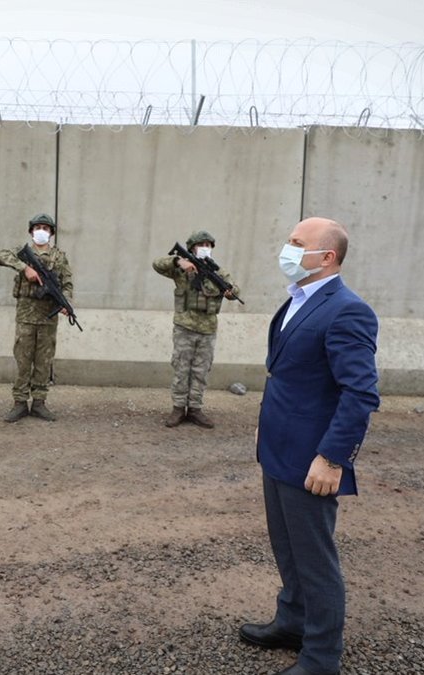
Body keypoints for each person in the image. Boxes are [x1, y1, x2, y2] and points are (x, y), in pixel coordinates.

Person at [239, 217, 379, 675]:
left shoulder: (347, 310)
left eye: (297, 244)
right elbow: (285, 375)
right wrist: (266, 427)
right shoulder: (297, 300)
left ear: (327, 257)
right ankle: (293, 621)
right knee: (287, 546)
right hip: (280, 449)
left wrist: (333, 457)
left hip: (313, 457)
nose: (287, 249)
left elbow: (359, 393)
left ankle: (321, 657)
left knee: (315, 559)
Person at [152, 230, 241, 428]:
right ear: (192, 247)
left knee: (201, 370)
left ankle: (195, 409)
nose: (205, 248)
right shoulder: (182, 268)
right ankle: (178, 408)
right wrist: (178, 262)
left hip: (208, 329)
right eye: (201, 245)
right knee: (182, 368)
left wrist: (230, 292)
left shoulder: (218, 272)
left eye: (209, 245)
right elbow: (157, 264)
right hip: (185, 326)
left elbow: (234, 290)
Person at [0, 213, 74, 422]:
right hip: (26, 314)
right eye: (38, 227)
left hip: (48, 317)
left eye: (46, 228)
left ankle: (39, 402)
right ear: (31, 231)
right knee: (23, 359)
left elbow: (67, 284)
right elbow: (1, 256)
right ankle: (19, 403)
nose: (41, 231)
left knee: (43, 361)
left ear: (51, 233)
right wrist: (25, 268)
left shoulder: (59, 257)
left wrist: (65, 303)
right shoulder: (22, 254)